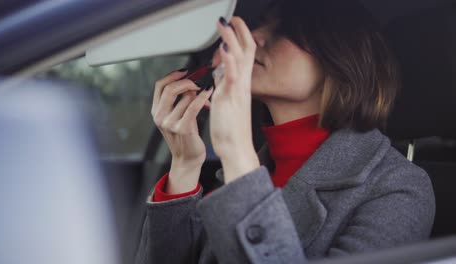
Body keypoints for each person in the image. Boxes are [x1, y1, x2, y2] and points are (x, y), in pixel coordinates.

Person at [135, 0, 435, 263]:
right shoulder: (245, 171)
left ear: (340, 58)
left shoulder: (398, 188)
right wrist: (184, 166)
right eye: (261, 24)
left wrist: (237, 151)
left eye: (284, 30)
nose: (254, 37)